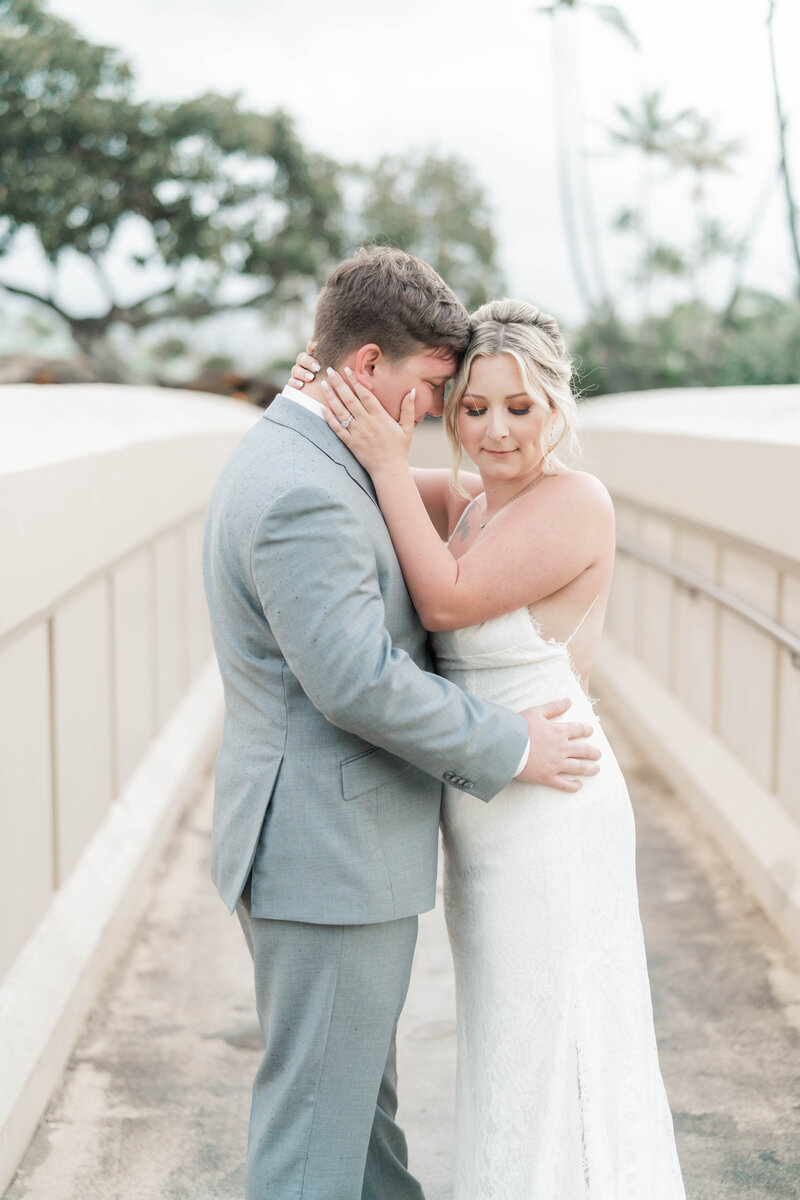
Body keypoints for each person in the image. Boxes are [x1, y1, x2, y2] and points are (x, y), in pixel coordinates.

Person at [202, 250, 601, 1200]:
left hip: (322, 848)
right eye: (433, 389)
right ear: (366, 365)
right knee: (313, 1141)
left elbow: (455, 513)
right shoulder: (307, 487)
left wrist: (408, 461)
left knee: (356, 1126)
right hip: (326, 856)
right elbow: (359, 685)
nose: (432, 413)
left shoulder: (311, 453)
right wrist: (514, 746)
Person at [297, 297, 686, 1197]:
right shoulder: (474, 503)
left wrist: (395, 461)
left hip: (553, 812)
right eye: (473, 407)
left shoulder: (575, 502)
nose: (496, 430)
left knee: (561, 1046)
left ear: (557, 407)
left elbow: (444, 602)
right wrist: (327, 400)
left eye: (520, 407)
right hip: (490, 821)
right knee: (509, 1047)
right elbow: (362, 483)